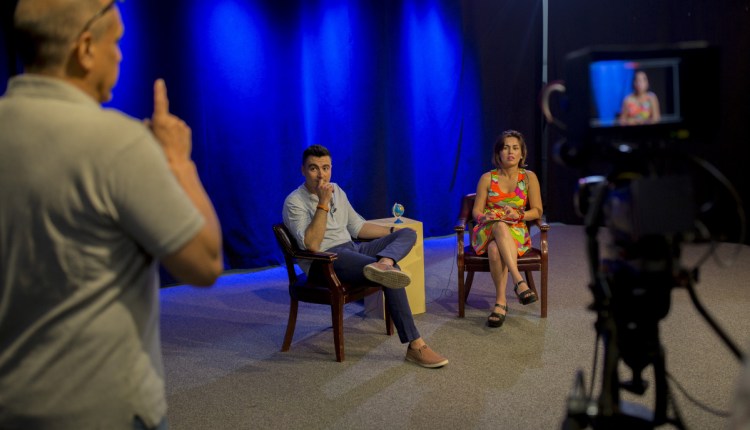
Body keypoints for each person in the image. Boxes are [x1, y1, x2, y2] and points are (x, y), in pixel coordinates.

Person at [0, 1, 223, 429]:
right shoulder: (116, 142)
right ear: (84, 48)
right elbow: (205, 263)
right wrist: (178, 163)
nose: (120, 54)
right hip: (104, 411)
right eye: (115, 41)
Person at [283, 144, 448, 368]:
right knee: (392, 275)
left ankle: (384, 262)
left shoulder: (337, 191)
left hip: (352, 249)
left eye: (326, 168)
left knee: (407, 233)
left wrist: (392, 233)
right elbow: (311, 244)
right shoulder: (294, 202)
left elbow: (358, 227)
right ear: (303, 170)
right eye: (314, 168)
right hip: (326, 261)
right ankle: (415, 345)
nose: (321, 175)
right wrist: (322, 202)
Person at [471, 130, 543, 328]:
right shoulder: (487, 178)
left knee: (496, 249)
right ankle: (519, 280)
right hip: (488, 229)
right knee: (499, 225)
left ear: (522, 153)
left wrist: (519, 215)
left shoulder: (529, 178)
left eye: (515, 148)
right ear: (498, 154)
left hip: (517, 230)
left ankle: (500, 303)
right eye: (505, 147)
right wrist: (482, 216)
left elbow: (537, 211)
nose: (510, 152)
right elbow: (476, 211)